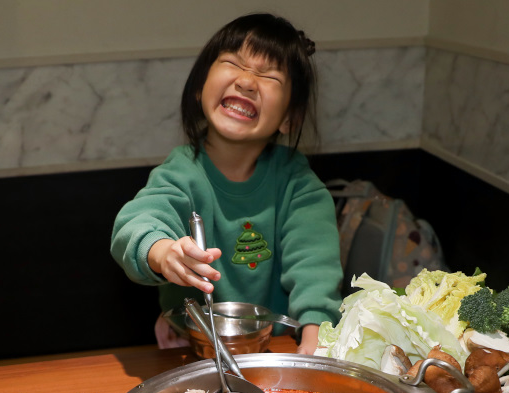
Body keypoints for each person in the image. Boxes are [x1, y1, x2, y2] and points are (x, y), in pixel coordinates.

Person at [110, 13, 341, 355]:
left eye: (267, 75)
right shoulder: (180, 173)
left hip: (274, 349)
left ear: (290, 118)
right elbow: (135, 225)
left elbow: (315, 270)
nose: (247, 82)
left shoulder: (298, 184)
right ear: (200, 87)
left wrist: (315, 343)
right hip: (195, 349)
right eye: (233, 63)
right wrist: (163, 253)